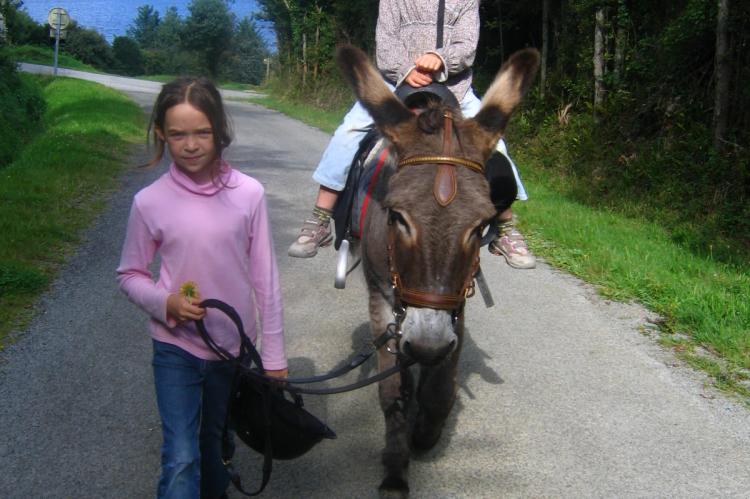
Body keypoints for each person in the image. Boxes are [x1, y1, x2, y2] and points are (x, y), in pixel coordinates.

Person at [116, 77, 288, 499]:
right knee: (181, 454)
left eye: (201, 132)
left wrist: (273, 354)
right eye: (177, 134)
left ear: (219, 131)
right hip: (175, 348)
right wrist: (165, 302)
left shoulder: (249, 194)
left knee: (212, 446)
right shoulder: (149, 202)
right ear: (162, 134)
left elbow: (266, 279)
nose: (190, 144)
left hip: (233, 351)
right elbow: (129, 273)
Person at [288, 0, 536, 269]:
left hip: (454, 87)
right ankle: (320, 217)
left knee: (494, 144)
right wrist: (407, 70)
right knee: (348, 132)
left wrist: (441, 59)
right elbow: (385, 44)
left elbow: (467, 47)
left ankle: (505, 227)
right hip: (395, 83)